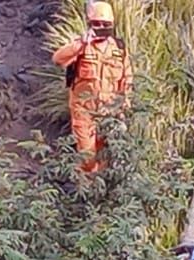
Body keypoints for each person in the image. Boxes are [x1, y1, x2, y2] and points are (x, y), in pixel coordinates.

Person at [51, 1, 133, 174]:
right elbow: (58, 59)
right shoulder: (81, 46)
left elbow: (127, 79)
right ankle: (86, 188)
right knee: (87, 156)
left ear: (112, 25)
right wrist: (80, 43)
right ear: (90, 24)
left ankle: (100, 191)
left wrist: (123, 108)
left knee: (104, 155)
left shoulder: (119, 49)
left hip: (108, 112)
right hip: (84, 112)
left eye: (105, 24)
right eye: (96, 24)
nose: (100, 27)